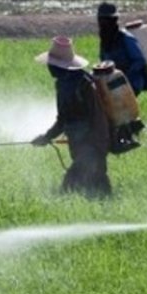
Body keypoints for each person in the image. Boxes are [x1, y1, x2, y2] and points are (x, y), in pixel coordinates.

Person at [31, 36, 111, 198]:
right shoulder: (69, 82)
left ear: (60, 67)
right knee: (98, 182)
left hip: (92, 143)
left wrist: (46, 137)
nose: (49, 67)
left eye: (51, 64)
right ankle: (108, 204)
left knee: (70, 186)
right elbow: (64, 119)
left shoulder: (78, 85)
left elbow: (70, 119)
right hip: (86, 142)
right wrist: (47, 137)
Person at [97, 2, 147, 152]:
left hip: (131, 81)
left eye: (107, 20)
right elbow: (103, 61)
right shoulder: (105, 40)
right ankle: (128, 131)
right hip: (113, 82)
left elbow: (140, 60)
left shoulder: (126, 38)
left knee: (116, 108)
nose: (104, 23)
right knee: (107, 106)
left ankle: (124, 139)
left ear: (114, 21)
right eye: (101, 20)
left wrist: (123, 77)